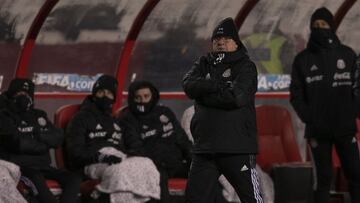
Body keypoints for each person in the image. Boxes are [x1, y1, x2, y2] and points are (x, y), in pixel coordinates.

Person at [182, 17, 263, 203]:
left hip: (237, 147)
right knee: (194, 199)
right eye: (217, 40)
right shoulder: (204, 63)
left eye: (226, 39)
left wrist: (204, 92)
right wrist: (219, 87)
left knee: (251, 198)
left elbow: (236, 98)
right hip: (205, 149)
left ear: (236, 43)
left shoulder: (246, 66)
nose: (221, 42)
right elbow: (188, 85)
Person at [290, 7, 360, 203]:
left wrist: (353, 111)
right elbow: (295, 93)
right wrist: (308, 116)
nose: (320, 28)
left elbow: (358, 87)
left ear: (332, 26)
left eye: (324, 24)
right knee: (323, 178)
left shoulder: (347, 55)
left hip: (345, 128)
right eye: (316, 25)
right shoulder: (302, 59)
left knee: (356, 174)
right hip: (318, 130)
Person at [66, 75, 160, 203]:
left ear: (114, 98)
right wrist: (100, 157)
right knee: (119, 171)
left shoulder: (114, 121)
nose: (105, 96)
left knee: (147, 164)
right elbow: (74, 152)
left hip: (118, 158)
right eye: (101, 92)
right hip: (92, 162)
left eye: (109, 93)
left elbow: (123, 147)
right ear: (94, 94)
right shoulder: (80, 118)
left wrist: (130, 154)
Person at [0, 78, 81, 203]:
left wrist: (37, 135)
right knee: (38, 182)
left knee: (73, 178)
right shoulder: (4, 116)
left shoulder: (39, 115)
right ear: (11, 95)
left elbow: (58, 138)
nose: (23, 97)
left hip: (44, 166)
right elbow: (17, 143)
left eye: (27, 94)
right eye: (19, 94)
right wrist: (44, 144)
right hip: (22, 168)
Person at [117, 80, 193, 202]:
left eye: (146, 96)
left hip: (176, 163)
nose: (142, 101)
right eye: (138, 97)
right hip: (153, 166)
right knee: (157, 177)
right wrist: (158, 161)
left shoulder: (164, 112)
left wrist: (193, 158)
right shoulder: (127, 119)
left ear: (153, 96)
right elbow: (135, 148)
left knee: (206, 171)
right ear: (132, 99)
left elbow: (182, 139)